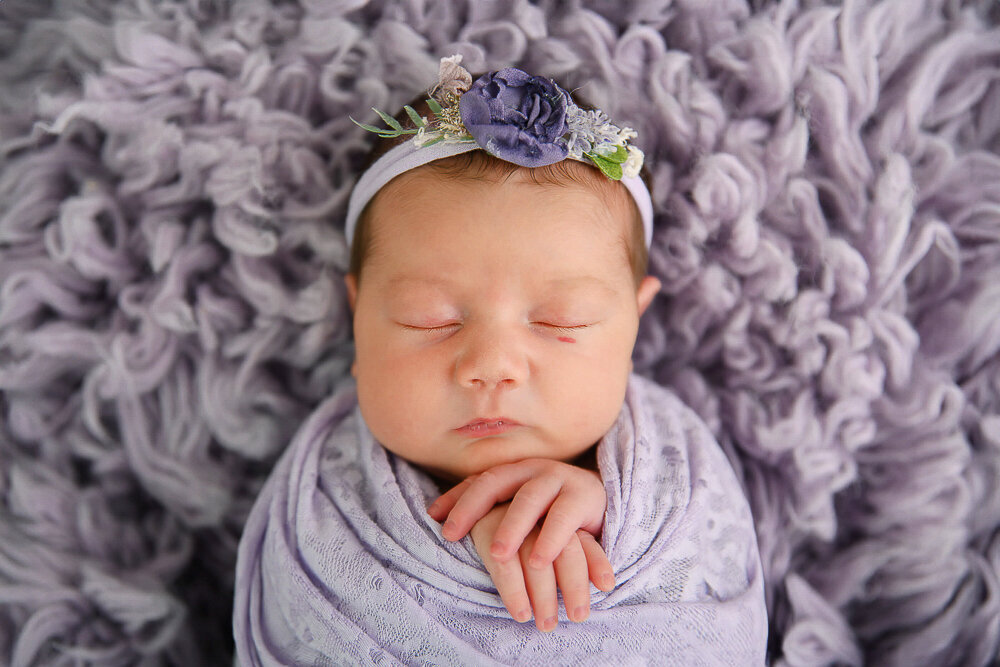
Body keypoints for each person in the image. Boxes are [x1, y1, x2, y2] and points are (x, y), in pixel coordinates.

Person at [233, 55, 768, 665]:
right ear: (357, 318)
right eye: (427, 318)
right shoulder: (323, 507)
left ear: (633, 326)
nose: (491, 366)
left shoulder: (676, 481)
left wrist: (611, 516)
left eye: (560, 321)